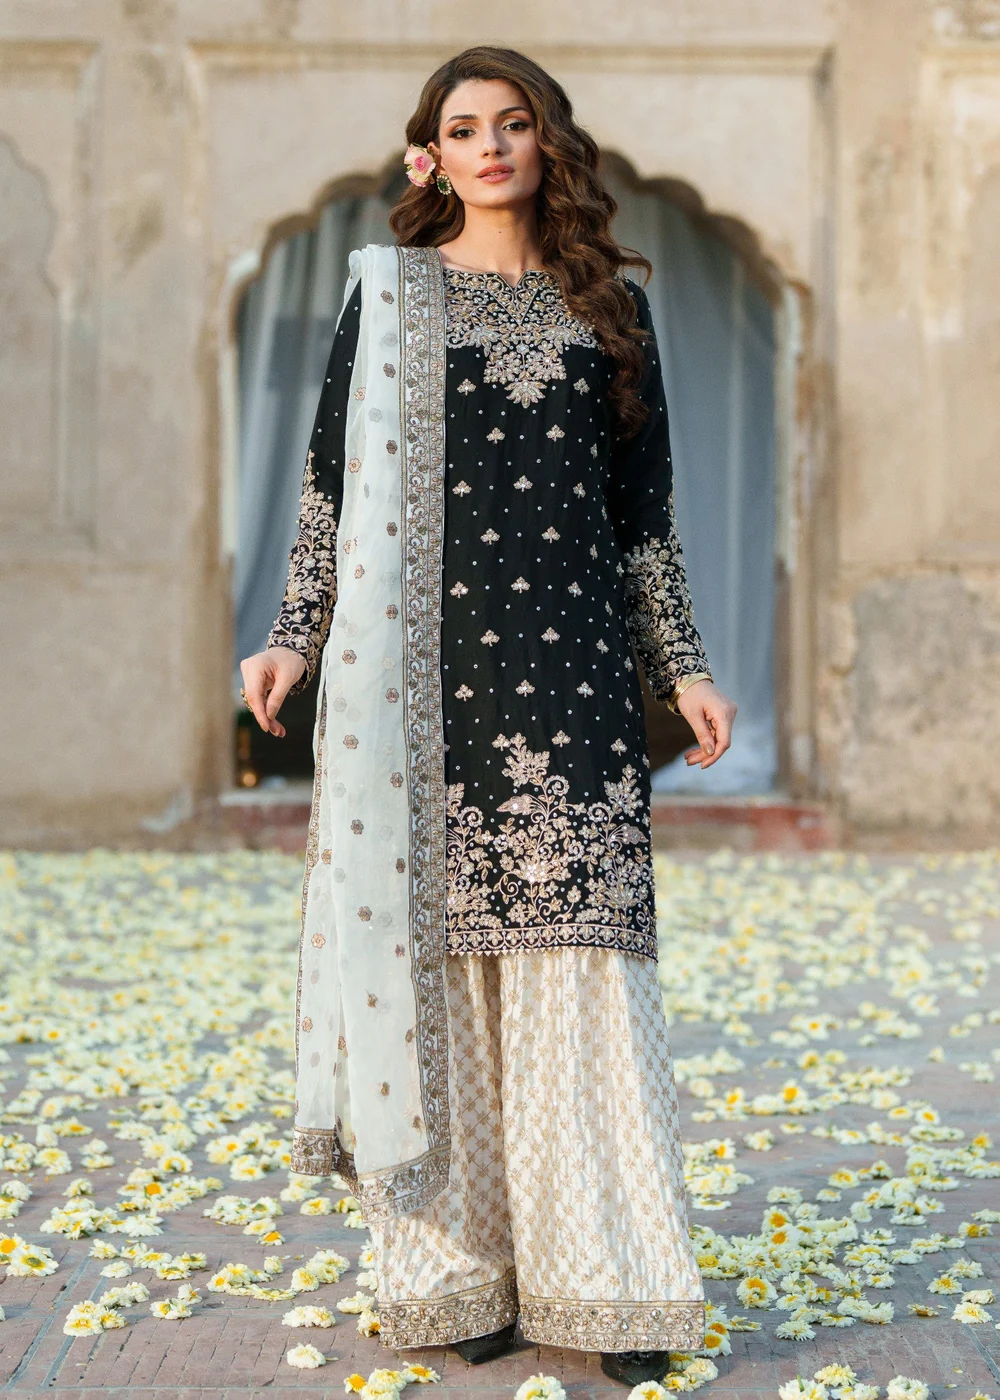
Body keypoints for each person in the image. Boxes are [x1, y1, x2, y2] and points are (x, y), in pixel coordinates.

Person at [240, 44, 737, 1388]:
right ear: (433, 155)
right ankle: (453, 1276)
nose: (493, 146)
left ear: (548, 141)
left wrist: (684, 668)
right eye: (464, 129)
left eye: (514, 123)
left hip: (574, 685)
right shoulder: (391, 294)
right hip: (424, 689)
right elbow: (331, 485)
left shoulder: (612, 308)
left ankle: (610, 1284)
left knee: (583, 970)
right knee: (442, 975)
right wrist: (293, 634)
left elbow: (644, 518)